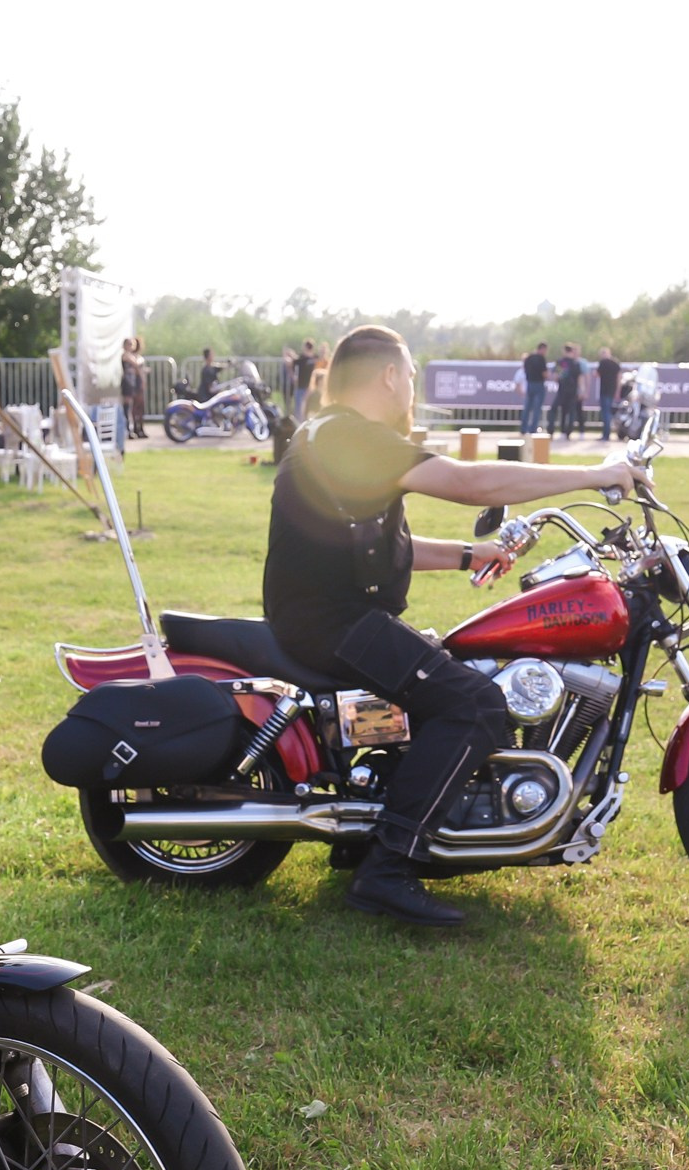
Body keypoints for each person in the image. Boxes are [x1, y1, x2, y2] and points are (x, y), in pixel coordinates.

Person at [262, 324, 640, 927]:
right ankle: (387, 867)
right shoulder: (351, 436)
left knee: (457, 678)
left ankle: (394, 824)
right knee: (476, 704)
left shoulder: (330, 434)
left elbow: (382, 547)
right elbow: (468, 483)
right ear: (389, 375)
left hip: (331, 614)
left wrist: (471, 554)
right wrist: (595, 473)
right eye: (410, 373)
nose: (412, 386)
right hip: (334, 622)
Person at [551, 343, 585, 437]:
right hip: (573, 391)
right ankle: (568, 432)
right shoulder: (576, 363)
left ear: (564, 351)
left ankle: (553, 430)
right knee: (571, 412)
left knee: (558, 409)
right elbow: (580, 378)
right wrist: (581, 390)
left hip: (562, 390)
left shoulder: (562, 362)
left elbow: (556, 376)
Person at [121, 335, 149, 438]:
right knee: (128, 407)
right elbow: (136, 363)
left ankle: (137, 428)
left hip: (133, 383)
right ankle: (128, 430)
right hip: (128, 383)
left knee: (137, 407)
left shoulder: (133, 356)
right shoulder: (126, 356)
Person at [520, 342, 549, 436]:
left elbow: (524, 370)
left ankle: (523, 428)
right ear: (542, 349)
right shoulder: (541, 359)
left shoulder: (528, 358)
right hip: (539, 384)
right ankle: (533, 429)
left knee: (527, 407)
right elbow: (544, 374)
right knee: (537, 408)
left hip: (530, 384)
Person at [594, 348, 623, 441]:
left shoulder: (602, 363)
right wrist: (617, 391)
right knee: (608, 412)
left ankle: (606, 435)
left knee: (605, 413)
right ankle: (607, 433)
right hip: (612, 391)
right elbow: (619, 377)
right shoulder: (616, 363)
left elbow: (596, 374)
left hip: (604, 391)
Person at [289, 339, 317, 422]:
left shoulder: (314, 358)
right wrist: (293, 376)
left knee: (309, 408)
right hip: (302, 386)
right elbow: (292, 363)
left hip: (311, 388)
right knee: (299, 409)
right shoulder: (302, 358)